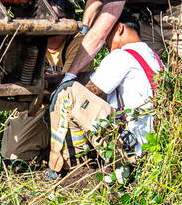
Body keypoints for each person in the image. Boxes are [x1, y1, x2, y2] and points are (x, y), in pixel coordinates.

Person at [47, 12, 163, 176]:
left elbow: (89, 91)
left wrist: (53, 85)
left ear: (120, 28)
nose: (104, 42)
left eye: (106, 34)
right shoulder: (152, 56)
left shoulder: (120, 55)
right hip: (151, 147)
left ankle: (70, 168)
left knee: (68, 92)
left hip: (129, 149)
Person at [0, 0, 83, 164]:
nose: (45, 24)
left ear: (66, 20)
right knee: (14, 156)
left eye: (51, 19)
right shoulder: (32, 41)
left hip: (66, 106)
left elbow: (67, 83)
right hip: (39, 104)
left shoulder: (78, 42)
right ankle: (43, 151)